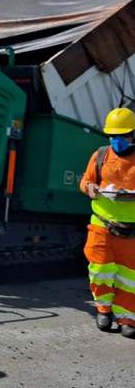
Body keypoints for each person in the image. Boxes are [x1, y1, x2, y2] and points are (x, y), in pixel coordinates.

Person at [81, 106, 135, 338]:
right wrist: (90, 188)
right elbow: (85, 181)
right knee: (100, 270)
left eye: (122, 136)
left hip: (131, 232)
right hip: (102, 226)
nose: (117, 140)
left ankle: (127, 318)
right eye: (113, 136)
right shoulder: (101, 155)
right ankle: (103, 310)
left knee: (129, 277)